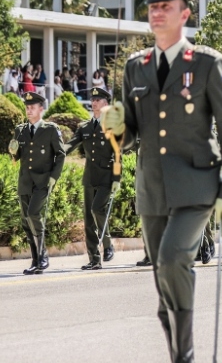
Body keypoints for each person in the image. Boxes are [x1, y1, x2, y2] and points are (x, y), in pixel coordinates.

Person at [98, 0, 222, 363]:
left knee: (173, 258)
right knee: (164, 283)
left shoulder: (206, 62)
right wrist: (117, 127)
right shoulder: (135, 67)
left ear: (185, 13)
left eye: (166, 6)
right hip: (153, 190)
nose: (157, 12)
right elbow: (134, 135)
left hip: (199, 186)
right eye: (152, 6)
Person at [65, 86, 134, 269]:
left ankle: (108, 243)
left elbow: (119, 153)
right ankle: (94, 259)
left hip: (107, 178)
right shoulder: (84, 127)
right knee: (88, 220)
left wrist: (117, 179)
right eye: (93, 100)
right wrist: (54, 153)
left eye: (98, 100)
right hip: (89, 178)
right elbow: (69, 145)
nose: (94, 103)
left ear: (106, 103)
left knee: (97, 209)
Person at [9, 91, 67, 274]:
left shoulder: (50, 129)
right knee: (26, 220)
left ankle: (43, 256)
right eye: (27, 107)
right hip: (25, 182)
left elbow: (61, 154)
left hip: (42, 181)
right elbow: (17, 156)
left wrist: (53, 178)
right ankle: (35, 261)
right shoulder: (21, 130)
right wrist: (13, 151)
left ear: (41, 109)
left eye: (32, 107)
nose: (28, 110)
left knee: (34, 214)